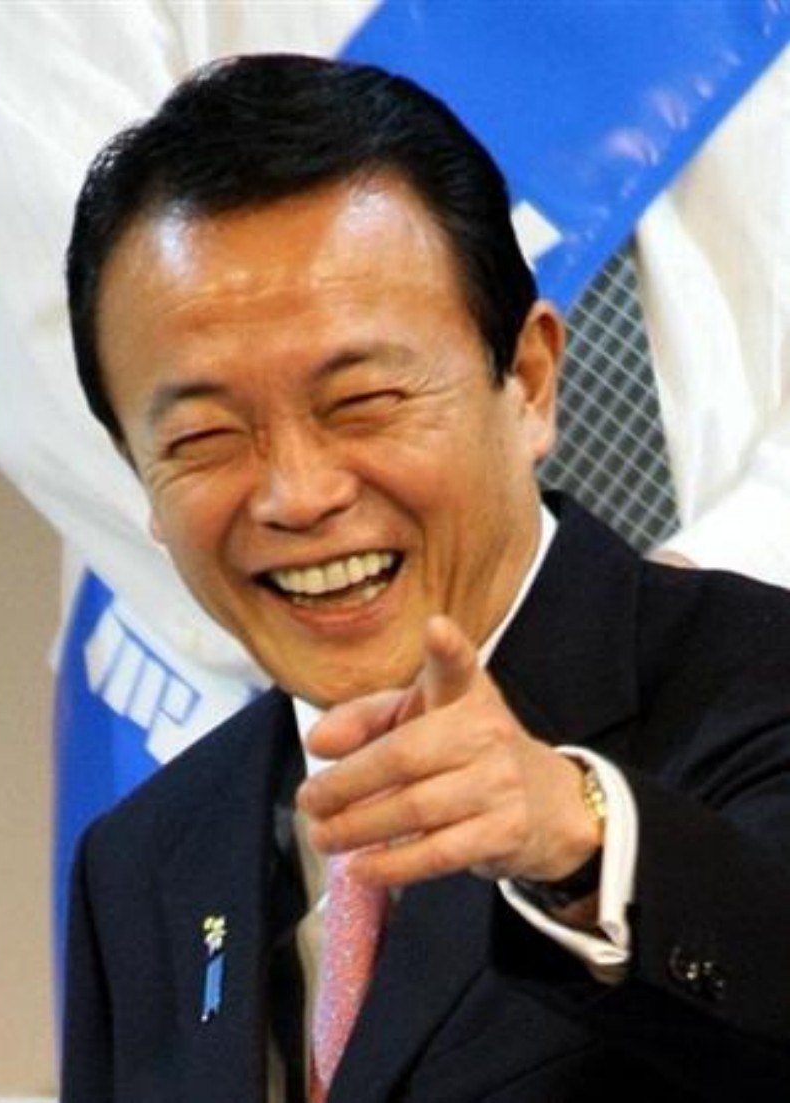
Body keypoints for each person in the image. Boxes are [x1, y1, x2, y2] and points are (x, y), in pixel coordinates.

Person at [60, 55, 790, 1101]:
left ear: (528, 380)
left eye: (361, 401)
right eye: (205, 436)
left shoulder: (756, 680)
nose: (297, 495)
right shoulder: (144, 858)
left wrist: (580, 839)